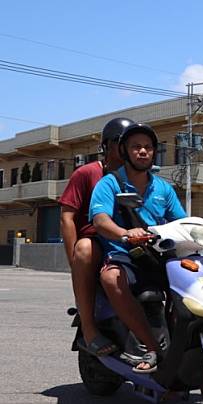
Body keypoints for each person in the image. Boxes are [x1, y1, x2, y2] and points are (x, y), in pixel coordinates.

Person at [89, 122, 187, 373]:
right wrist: (125, 233)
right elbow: (100, 221)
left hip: (158, 255)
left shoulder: (163, 188)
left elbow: (181, 221)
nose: (143, 151)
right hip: (125, 254)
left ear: (154, 152)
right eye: (136, 147)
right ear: (124, 151)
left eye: (148, 147)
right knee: (111, 277)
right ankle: (150, 345)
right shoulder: (110, 183)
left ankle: (189, 341)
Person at [60, 117, 133, 356]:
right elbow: (67, 217)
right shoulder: (87, 173)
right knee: (85, 249)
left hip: (128, 241)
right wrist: (75, 260)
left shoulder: (139, 177)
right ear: (106, 146)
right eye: (120, 143)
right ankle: (90, 331)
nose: (126, 149)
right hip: (96, 241)